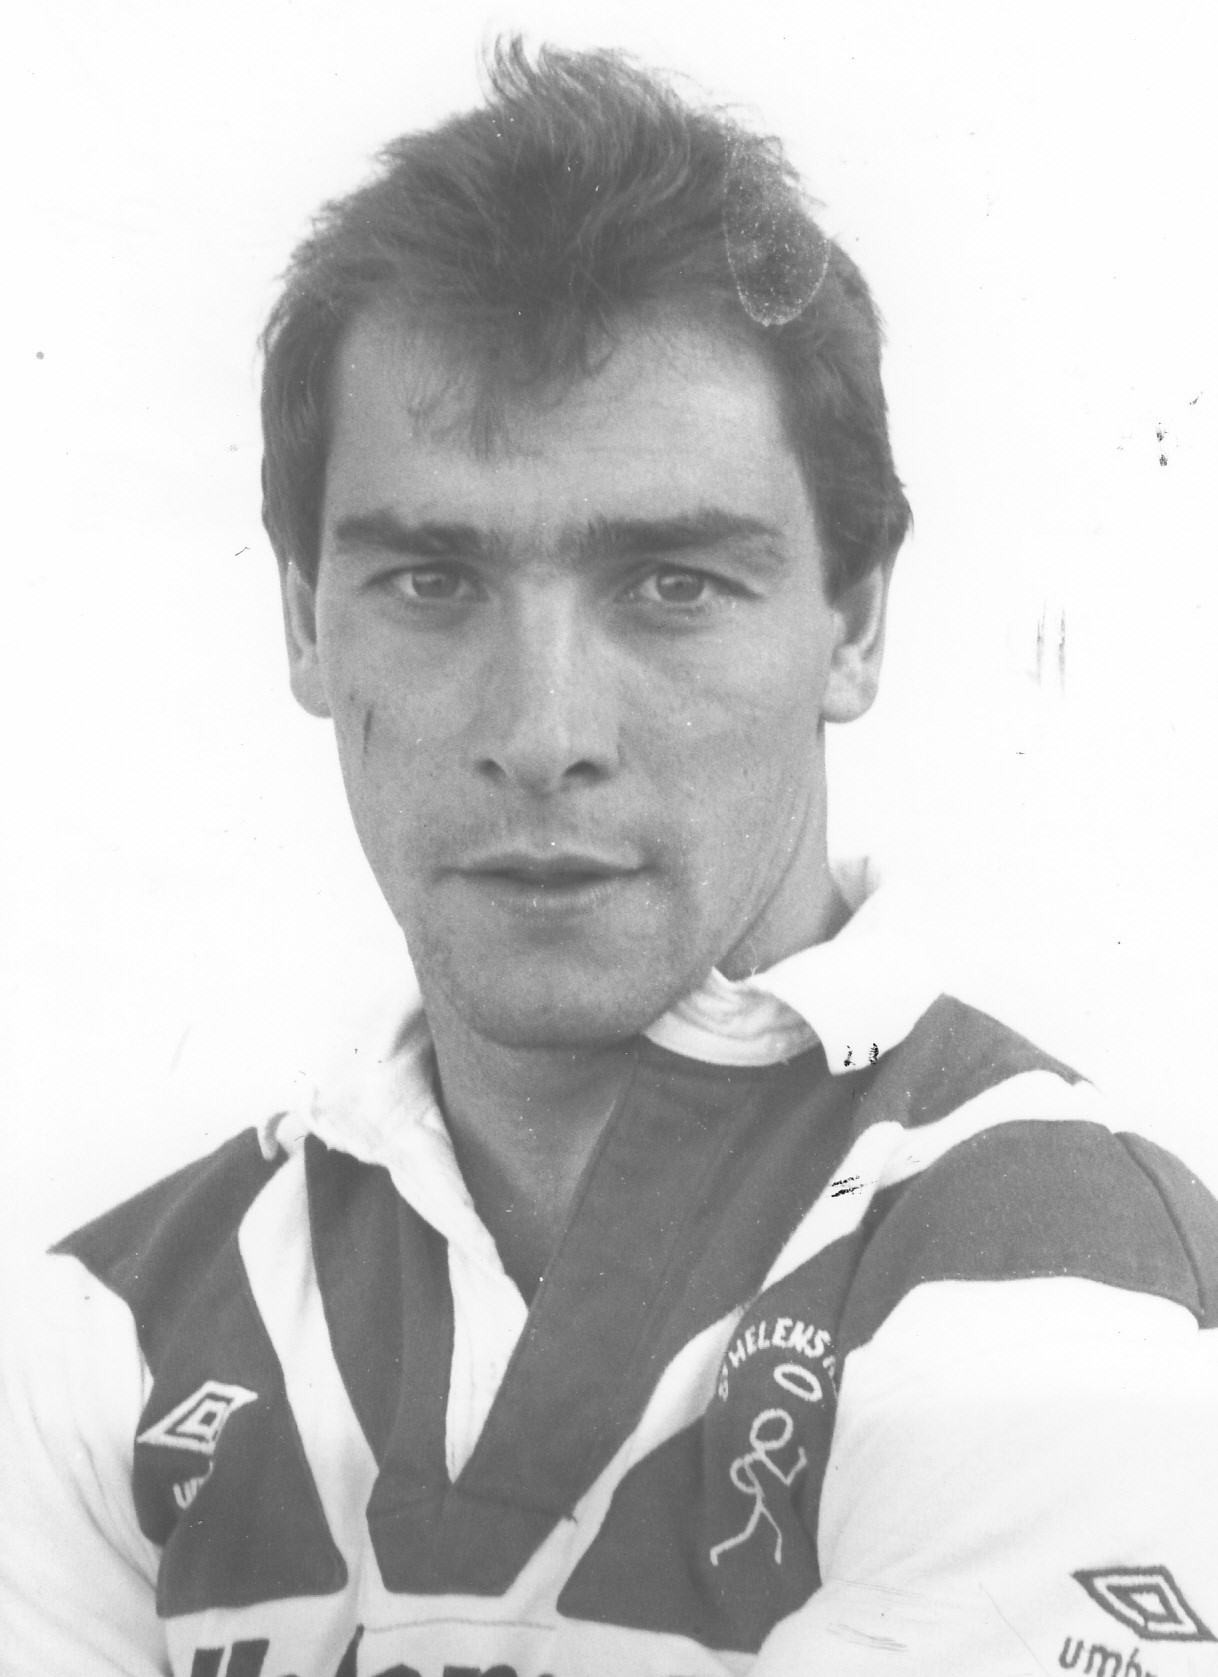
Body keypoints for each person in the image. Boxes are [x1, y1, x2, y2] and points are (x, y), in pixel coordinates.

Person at [3, 38, 1216, 1677]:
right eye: (431, 582)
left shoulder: (1057, 1272)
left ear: (853, 618)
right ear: (302, 620)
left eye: (670, 584)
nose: (542, 729)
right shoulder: (100, 1330)